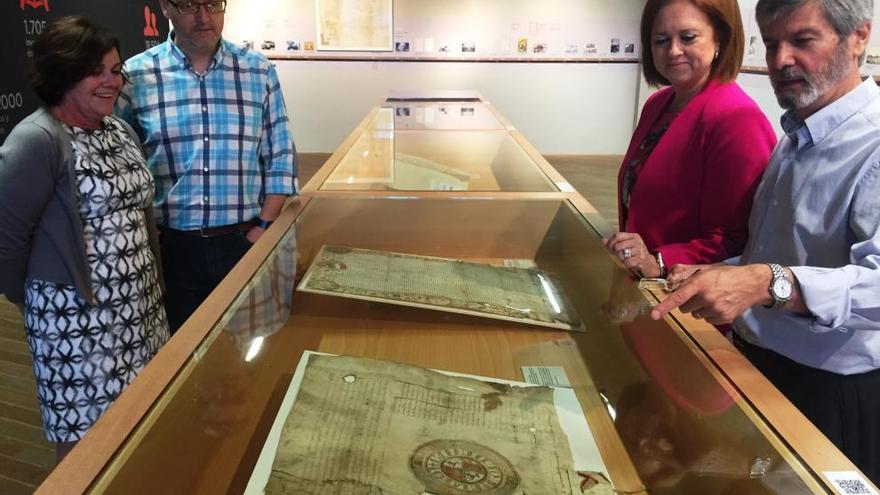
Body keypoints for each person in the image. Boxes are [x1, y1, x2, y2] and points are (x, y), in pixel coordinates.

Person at [653, 0, 880, 483]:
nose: (780, 61)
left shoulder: (873, 146)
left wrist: (767, 282)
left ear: (859, 37)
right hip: (756, 365)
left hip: (828, 391)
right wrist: (725, 272)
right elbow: (777, 254)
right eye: (772, 43)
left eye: (803, 41)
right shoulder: (795, 137)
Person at [0, 16, 170, 460]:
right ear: (63, 73)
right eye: (96, 71)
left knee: (142, 427)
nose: (111, 82)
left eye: (115, 70)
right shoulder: (37, 140)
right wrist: (43, 301)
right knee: (86, 450)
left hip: (142, 314)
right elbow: (7, 238)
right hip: (76, 329)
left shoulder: (119, 130)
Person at [116, 0, 298, 332]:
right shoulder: (135, 76)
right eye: (188, 4)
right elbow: (117, 157)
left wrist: (264, 228)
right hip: (173, 250)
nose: (204, 16)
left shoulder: (258, 70)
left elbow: (280, 155)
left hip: (244, 241)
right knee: (180, 354)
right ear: (165, 8)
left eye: (213, 4)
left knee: (248, 347)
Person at [604, 0, 776, 279]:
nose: (673, 51)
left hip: (692, 299)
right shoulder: (658, 104)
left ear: (719, 37)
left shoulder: (737, 118)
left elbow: (739, 237)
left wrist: (659, 261)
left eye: (688, 37)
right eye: (661, 40)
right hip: (647, 286)